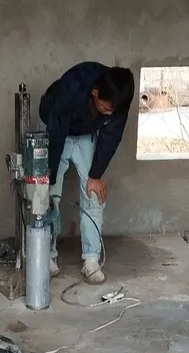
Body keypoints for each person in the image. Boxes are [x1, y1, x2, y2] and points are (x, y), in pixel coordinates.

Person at [39, 62, 135, 284]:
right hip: (54, 126)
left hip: (84, 132)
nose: (110, 113)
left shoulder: (118, 99)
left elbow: (111, 137)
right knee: (48, 194)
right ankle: (47, 255)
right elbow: (56, 136)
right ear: (95, 92)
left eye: (113, 111)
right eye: (106, 108)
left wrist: (96, 174)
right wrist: (49, 176)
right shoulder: (71, 87)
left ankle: (91, 259)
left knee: (93, 192)